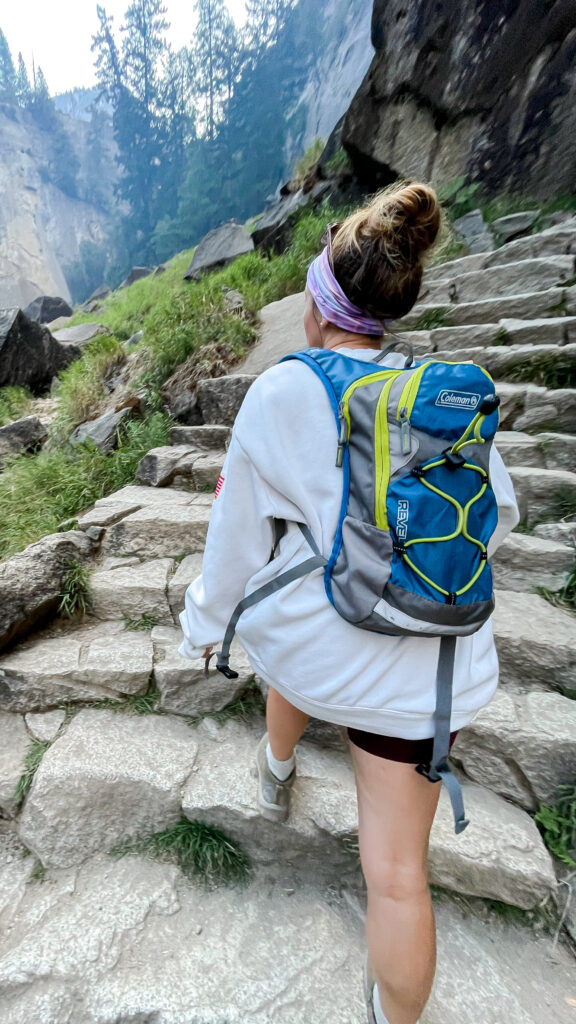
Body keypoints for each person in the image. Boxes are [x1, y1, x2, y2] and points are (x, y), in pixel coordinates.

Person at [178, 181, 520, 1024]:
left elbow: (235, 543)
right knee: (399, 875)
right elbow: (500, 513)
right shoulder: (434, 394)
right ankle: (391, 1016)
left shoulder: (283, 391)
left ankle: (276, 770)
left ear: (317, 305)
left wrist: (203, 626)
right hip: (430, 673)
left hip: (324, 655)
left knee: (286, 613)